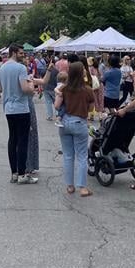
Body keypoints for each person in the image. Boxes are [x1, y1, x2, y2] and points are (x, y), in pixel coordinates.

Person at [54, 61, 95, 197]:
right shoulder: (87, 90)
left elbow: (57, 106)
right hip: (79, 122)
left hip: (65, 123)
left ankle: (70, 186)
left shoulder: (64, 88)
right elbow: (91, 108)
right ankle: (82, 187)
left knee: (68, 155)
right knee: (82, 156)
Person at [0, 44, 37, 184]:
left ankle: (14, 173)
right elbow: (25, 88)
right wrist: (32, 87)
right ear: (13, 53)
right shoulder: (21, 68)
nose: (23, 55)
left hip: (8, 108)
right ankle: (22, 174)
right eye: (21, 53)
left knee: (12, 139)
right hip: (21, 108)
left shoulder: (2, 68)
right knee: (22, 141)